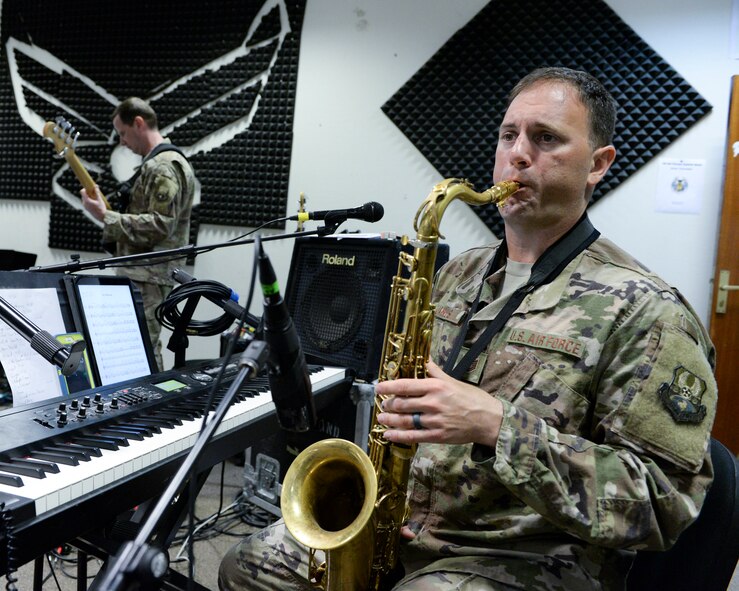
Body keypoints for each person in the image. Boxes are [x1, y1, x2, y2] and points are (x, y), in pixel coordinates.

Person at [218, 67, 717, 590]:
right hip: (408, 528)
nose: (518, 153)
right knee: (246, 567)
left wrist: (498, 426)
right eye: (509, 136)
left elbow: (664, 502)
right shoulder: (455, 273)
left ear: (598, 164)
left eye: (546, 138)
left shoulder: (649, 309)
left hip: (528, 558)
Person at [82, 97, 197, 371]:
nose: (122, 142)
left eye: (122, 133)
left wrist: (104, 216)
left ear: (138, 123)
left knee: (143, 349)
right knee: (136, 349)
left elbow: (160, 224)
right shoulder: (157, 164)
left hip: (148, 276)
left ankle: (150, 407)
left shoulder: (163, 167)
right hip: (142, 274)